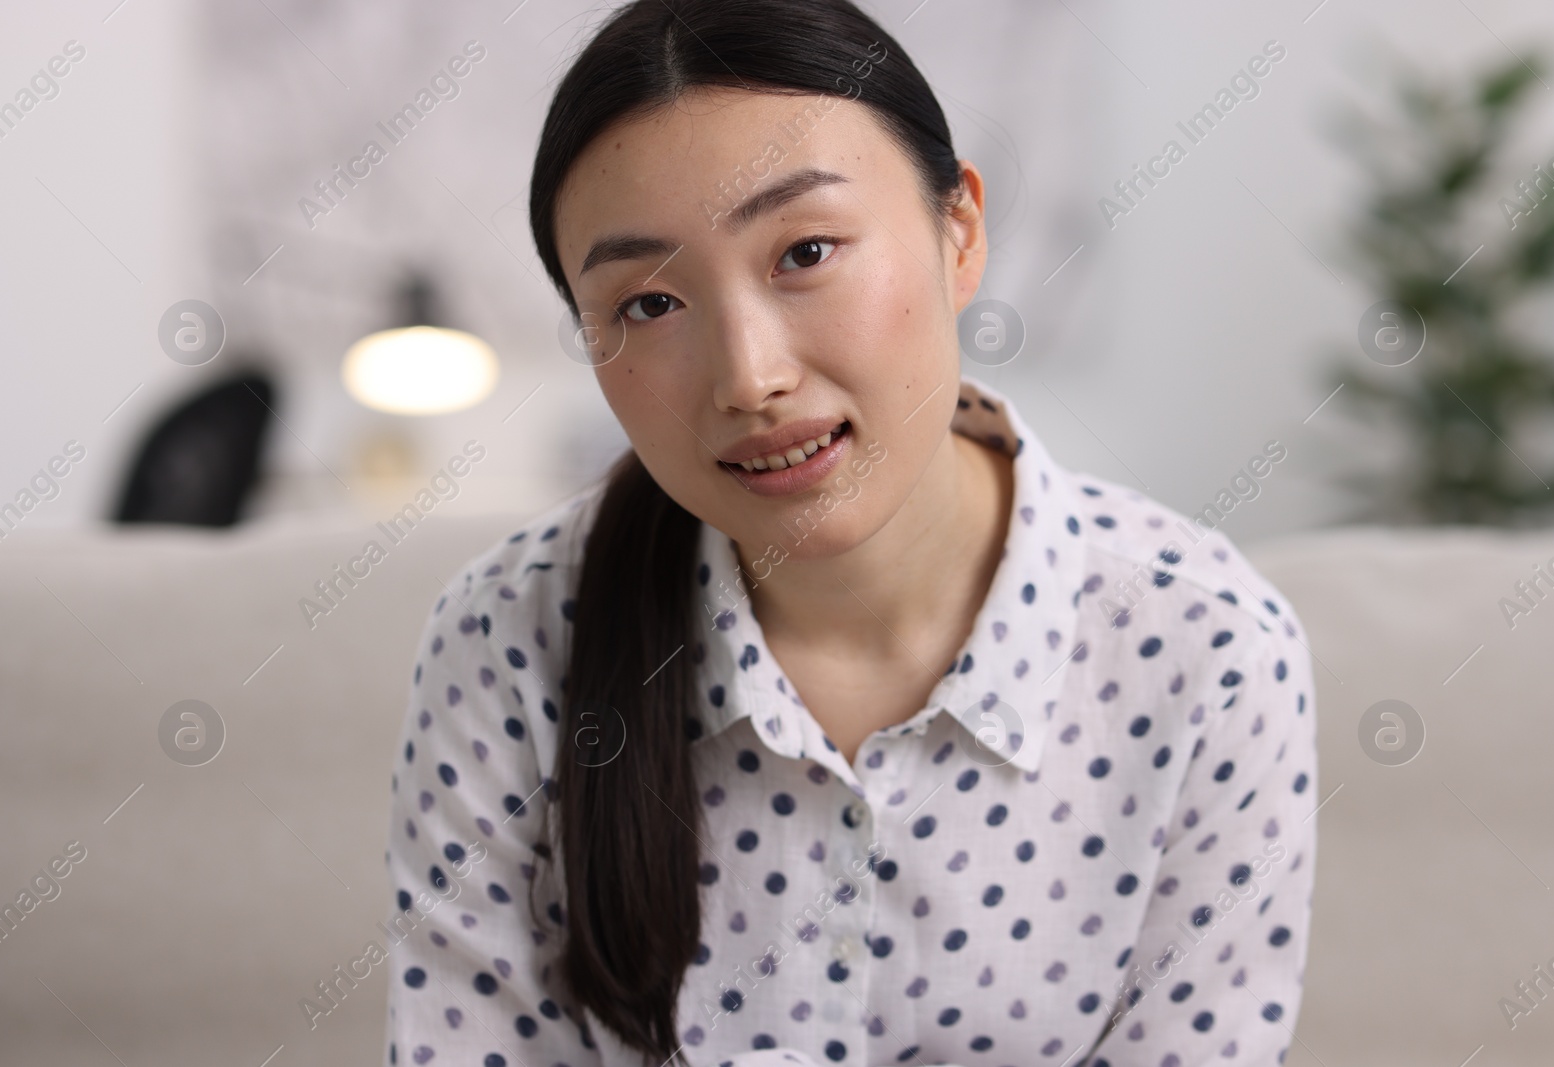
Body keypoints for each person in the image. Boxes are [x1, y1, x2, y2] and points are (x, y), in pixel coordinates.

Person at [382, 1, 1318, 1064]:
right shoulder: (505, 640)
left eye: (806, 250)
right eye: (646, 305)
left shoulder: (1209, 647)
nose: (749, 376)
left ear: (957, 230)